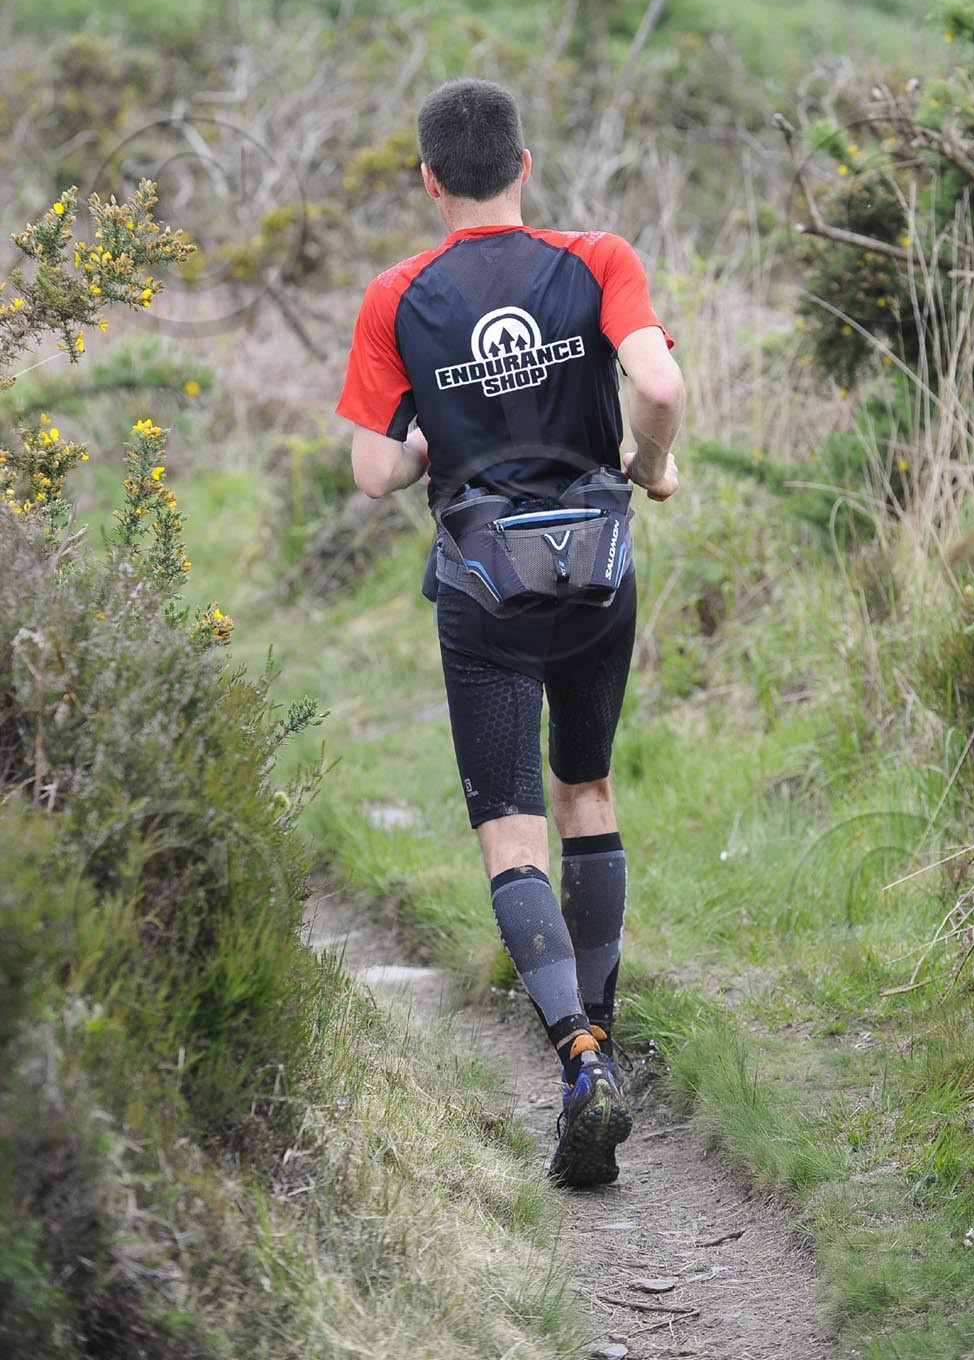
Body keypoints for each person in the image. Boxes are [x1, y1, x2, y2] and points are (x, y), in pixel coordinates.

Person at [334, 77, 684, 1187]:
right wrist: (652, 466)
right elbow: (659, 383)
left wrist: (432, 440)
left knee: (510, 829)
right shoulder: (597, 259)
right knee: (587, 793)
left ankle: (578, 1059)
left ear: (429, 180)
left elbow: (374, 471)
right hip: (597, 576)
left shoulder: (397, 295)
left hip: (485, 594)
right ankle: (606, 1043)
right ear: (524, 165)